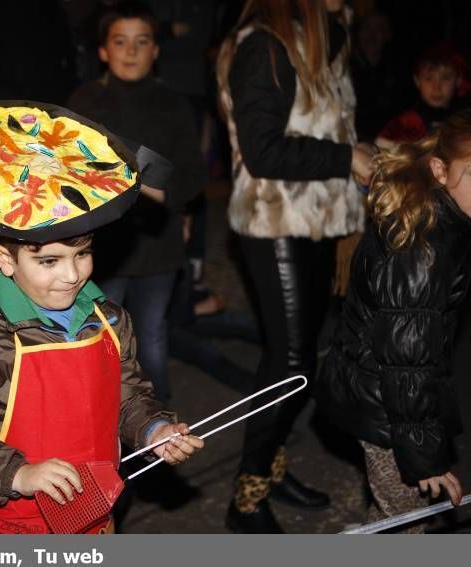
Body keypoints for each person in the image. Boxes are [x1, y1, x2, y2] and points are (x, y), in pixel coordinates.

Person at [0, 101, 203, 534]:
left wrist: (152, 428)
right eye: (49, 261)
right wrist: (18, 473)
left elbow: (128, 395)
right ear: (4, 259)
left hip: (96, 513)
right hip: (17, 523)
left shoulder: (110, 321)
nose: (72, 275)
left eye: (82, 254)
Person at [215, 0, 375, 532]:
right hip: (274, 219)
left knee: (296, 357)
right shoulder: (265, 44)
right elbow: (262, 152)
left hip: (316, 217)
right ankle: (247, 497)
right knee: (291, 365)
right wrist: (346, 156)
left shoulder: (325, 37)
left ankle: (269, 466)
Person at [317, 109, 471, 533]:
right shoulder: (427, 249)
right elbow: (407, 359)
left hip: (383, 392)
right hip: (384, 403)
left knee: (396, 520)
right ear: (440, 169)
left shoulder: (438, 214)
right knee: (404, 522)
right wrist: (422, 454)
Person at [67, 1, 206, 403]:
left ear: (156, 51)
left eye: (141, 42)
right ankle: (102, 433)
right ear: (103, 51)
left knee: (151, 340)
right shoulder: (85, 102)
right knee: (100, 340)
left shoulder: (173, 105)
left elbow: (193, 171)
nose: (131, 51)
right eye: (120, 42)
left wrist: (167, 193)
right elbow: (66, 165)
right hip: (102, 247)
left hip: (158, 247)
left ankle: (157, 439)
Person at [376, 42, 465, 149]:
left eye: (445, 78)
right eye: (428, 78)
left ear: (458, 80)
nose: (436, 87)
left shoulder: (463, 122)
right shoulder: (406, 122)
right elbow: (379, 145)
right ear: (417, 81)